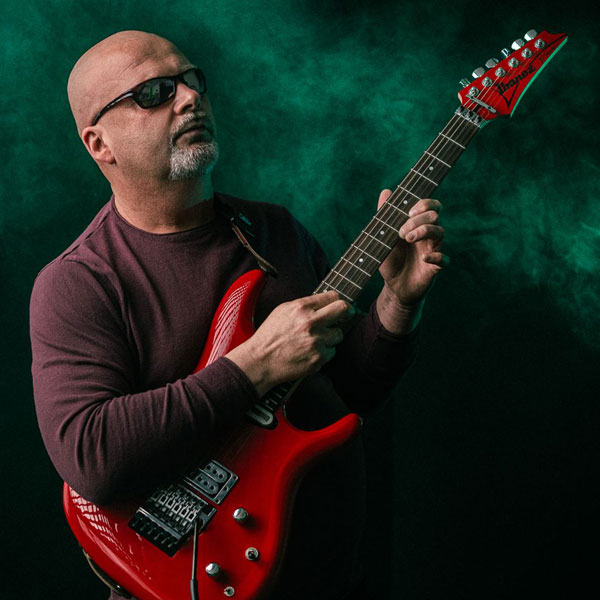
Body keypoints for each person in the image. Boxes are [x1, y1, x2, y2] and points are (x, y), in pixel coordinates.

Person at [30, 30, 447, 600]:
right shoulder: (78, 282)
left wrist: (398, 302)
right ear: (100, 144)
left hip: (328, 578)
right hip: (187, 576)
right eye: (154, 92)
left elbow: (343, 394)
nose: (189, 98)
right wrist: (254, 365)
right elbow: (93, 457)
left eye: (192, 80)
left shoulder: (275, 232)